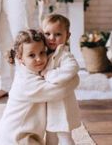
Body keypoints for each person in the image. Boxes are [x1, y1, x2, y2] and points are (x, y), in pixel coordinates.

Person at [0, 29, 80, 145]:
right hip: (17, 136)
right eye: (31, 55)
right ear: (20, 59)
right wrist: (75, 78)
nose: (39, 59)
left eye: (42, 53)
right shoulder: (26, 83)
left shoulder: (32, 72)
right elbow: (61, 90)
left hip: (28, 134)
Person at [42, 13, 81, 145]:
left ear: (67, 36)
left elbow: (72, 68)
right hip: (48, 103)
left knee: (64, 136)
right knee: (50, 136)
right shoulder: (44, 53)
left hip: (62, 104)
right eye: (47, 34)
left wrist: (49, 74)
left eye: (58, 34)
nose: (52, 38)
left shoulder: (64, 55)